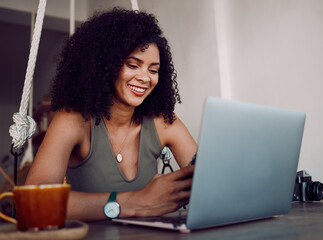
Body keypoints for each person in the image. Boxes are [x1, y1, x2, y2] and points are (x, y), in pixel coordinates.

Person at [25, 8, 197, 221]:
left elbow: (209, 186)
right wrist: (134, 202)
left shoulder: (164, 122)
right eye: (133, 65)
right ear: (104, 66)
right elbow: (36, 203)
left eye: (153, 70)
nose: (145, 78)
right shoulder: (73, 120)